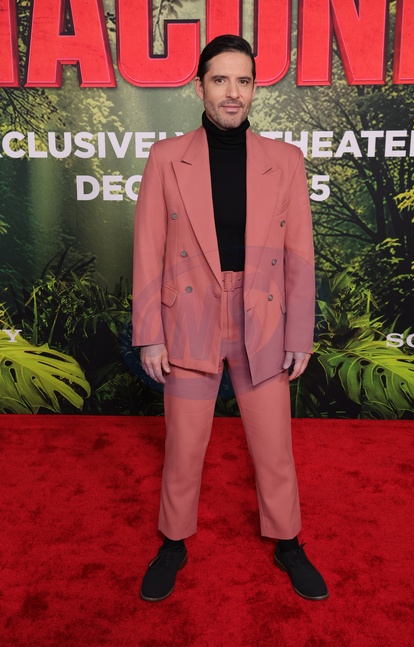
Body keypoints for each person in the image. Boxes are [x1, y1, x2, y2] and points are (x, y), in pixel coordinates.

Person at [132, 34, 328, 602]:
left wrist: (299, 334)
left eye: (243, 80)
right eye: (220, 79)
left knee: (274, 445)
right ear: (200, 87)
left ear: (254, 89)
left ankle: (288, 542)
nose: (232, 92)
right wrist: (149, 334)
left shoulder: (285, 161)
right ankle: (173, 543)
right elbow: (147, 248)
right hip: (190, 314)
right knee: (183, 443)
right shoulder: (166, 157)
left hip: (261, 316)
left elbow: (300, 255)